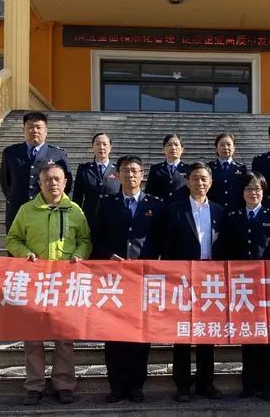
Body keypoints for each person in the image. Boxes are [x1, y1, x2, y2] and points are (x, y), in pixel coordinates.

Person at [6, 163, 92, 406]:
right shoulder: (26, 210)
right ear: (39, 183)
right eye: (48, 179)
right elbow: (12, 239)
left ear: (65, 183)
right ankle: (34, 385)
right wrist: (25, 253)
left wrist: (79, 254)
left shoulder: (75, 210)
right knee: (33, 337)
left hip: (64, 282)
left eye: (57, 179)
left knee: (64, 337)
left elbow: (85, 240)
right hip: (35, 282)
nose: (53, 183)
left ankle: (64, 385)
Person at [90, 155, 165, 403]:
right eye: (125, 170)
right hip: (113, 280)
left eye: (134, 171)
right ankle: (116, 386)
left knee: (140, 334)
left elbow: (162, 239)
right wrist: (107, 255)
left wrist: (154, 263)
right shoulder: (107, 203)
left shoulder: (156, 204)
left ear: (142, 175)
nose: (130, 175)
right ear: (117, 174)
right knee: (113, 335)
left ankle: (136, 386)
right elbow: (96, 237)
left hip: (144, 279)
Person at [220, 172, 270, 401]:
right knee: (247, 336)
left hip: (267, 286)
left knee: (266, 338)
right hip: (242, 286)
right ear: (242, 192)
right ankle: (249, 384)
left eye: (257, 188)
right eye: (248, 188)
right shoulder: (233, 217)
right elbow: (224, 250)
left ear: (263, 192)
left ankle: (267, 386)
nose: (253, 193)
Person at [165, 162, 225, 402]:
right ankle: (182, 385)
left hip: (210, 277)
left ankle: (205, 383)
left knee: (205, 334)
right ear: (187, 181)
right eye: (195, 178)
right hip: (182, 276)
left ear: (210, 182)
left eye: (204, 179)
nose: (200, 183)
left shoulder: (219, 211)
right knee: (182, 333)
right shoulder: (175, 210)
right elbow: (167, 246)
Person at [0, 111, 72, 231]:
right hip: (17, 210)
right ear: (23, 130)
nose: (35, 131)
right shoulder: (11, 153)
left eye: (39, 127)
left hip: (46, 210)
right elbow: (5, 182)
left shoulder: (58, 154)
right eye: (30, 127)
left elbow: (66, 184)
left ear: (46, 131)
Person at [72, 133, 120, 228]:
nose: (101, 147)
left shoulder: (118, 169)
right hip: (90, 219)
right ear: (92, 147)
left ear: (110, 148)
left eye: (105, 144)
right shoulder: (84, 169)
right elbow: (77, 197)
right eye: (98, 144)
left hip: (113, 219)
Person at [207, 132, 247, 212]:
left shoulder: (241, 168)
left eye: (229, 144)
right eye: (222, 145)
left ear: (234, 148)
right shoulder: (209, 168)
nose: (226, 148)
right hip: (215, 211)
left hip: (235, 211)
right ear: (216, 148)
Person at [144, 134, 190, 204]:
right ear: (163, 149)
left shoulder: (188, 169)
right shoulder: (156, 169)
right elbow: (149, 192)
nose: (173, 148)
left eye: (176, 145)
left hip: (181, 208)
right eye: (169, 145)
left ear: (182, 149)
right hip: (160, 208)